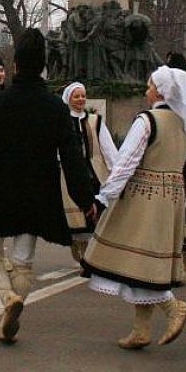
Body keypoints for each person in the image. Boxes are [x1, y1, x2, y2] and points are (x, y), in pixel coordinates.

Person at [0, 29, 96, 344]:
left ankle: (6, 298)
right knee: (23, 259)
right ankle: (17, 304)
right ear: (43, 67)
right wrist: (85, 198)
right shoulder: (55, 108)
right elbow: (72, 158)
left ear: (14, 67)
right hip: (39, 191)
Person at [82, 66, 186, 349]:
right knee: (146, 261)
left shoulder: (148, 121)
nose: (146, 91)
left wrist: (105, 196)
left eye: (149, 86)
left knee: (136, 260)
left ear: (160, 91)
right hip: (171, 200)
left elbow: (126, 162)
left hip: (142, 197)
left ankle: (172, 308)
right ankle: (141, 329)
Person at [59, 82, 118, 263]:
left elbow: (107, 148)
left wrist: (116, 169)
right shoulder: (62, 121)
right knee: (76, 215)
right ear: (68, 99)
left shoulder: (95, 121)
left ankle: (94, 254)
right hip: (68, 171)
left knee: (96, 211)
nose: (80, 99)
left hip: (94, 170)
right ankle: (80, 248)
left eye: (83, 96)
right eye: (76, 96)